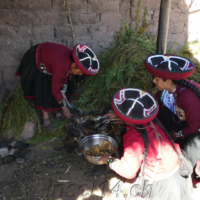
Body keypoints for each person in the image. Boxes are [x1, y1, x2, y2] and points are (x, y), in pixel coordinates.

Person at [99, 88, 193, 200]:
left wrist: (109, 160)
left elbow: (128, 171)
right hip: (176, 172)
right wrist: (118, 115)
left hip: (160, 182)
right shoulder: (153, 121)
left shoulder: (134, 137)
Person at [15, 42, 100, 131]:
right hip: (38, 58)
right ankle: (46, 119)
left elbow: (64, 77)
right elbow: (55, 89)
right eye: (79, 72)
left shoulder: (71, 62)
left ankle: (55, 110)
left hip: (53, 60)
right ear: (74, 65)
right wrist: (65, 108)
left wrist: (63, 93)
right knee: (45, 86)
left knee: (59, 89)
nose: (80, 74)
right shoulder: (61, 65)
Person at [144, 54, 200, 186]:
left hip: (196, 129)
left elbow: (195, 127)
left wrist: (177, 134)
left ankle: (189, 178)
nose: (153, 81)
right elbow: (155, 106)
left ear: (168, 80)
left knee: (192, 146)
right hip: (181, 122)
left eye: (157, 79)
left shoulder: (187, 97)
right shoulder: (164, 92)